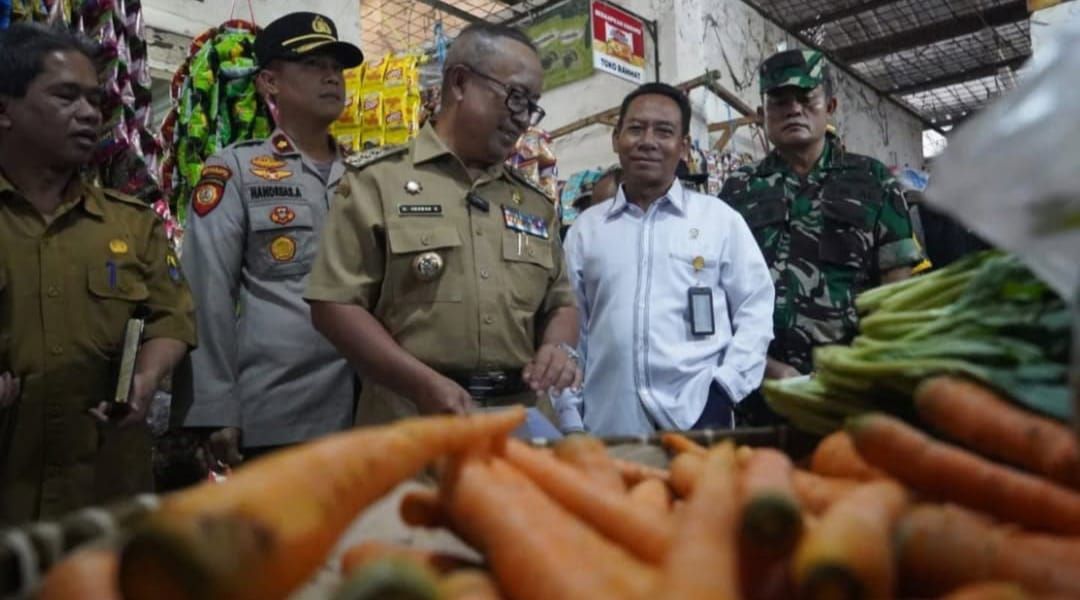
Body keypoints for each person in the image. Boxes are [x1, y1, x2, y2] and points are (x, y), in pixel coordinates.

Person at [305, 23, 580, 431]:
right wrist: (420, 384)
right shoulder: (378, 182)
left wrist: (558, 347)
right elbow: (334, 304)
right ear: (460, 82)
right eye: (515, 96)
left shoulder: (534, 203)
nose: (522, 118)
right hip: (411, 422)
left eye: (531, 104)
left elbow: (561, 303)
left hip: (520, 424)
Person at [0, 23, 195, 524]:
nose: (89, 114)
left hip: (104, 499)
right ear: (5, 109)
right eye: (66, 97)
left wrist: (145, 379)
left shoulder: (133, 223)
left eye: (94, 100)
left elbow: (171, 318)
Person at [170, 12, 363, 466]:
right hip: (282, 412)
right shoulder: (235, 169)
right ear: (269, 84)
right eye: (313, 64)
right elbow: (206, 290)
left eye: (336, 66)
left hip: (373, 411)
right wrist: (214, 407)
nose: (331, 76)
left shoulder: (368, 177)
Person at [559, 83, 775, 436]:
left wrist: (724, 392)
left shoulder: (719, 221)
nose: (648, 141)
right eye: (635, 128)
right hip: (611, 425)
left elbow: (756, 311)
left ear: (684, 146)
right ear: (616, 139)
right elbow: (571, 329)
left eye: (664, 131)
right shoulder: (586, 231)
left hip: (702, 420)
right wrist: (570, 416)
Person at [720, 50, 923, 388]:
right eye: (780, 101)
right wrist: (766, 368)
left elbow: (898, 292)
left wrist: (869, 364)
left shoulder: (872, 181)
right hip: (756, 386)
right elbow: (718, 292)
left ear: (830, 107)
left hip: (850, 384)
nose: (794, 109)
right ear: (762, 115)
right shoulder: (739, 190)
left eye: (805, 98)